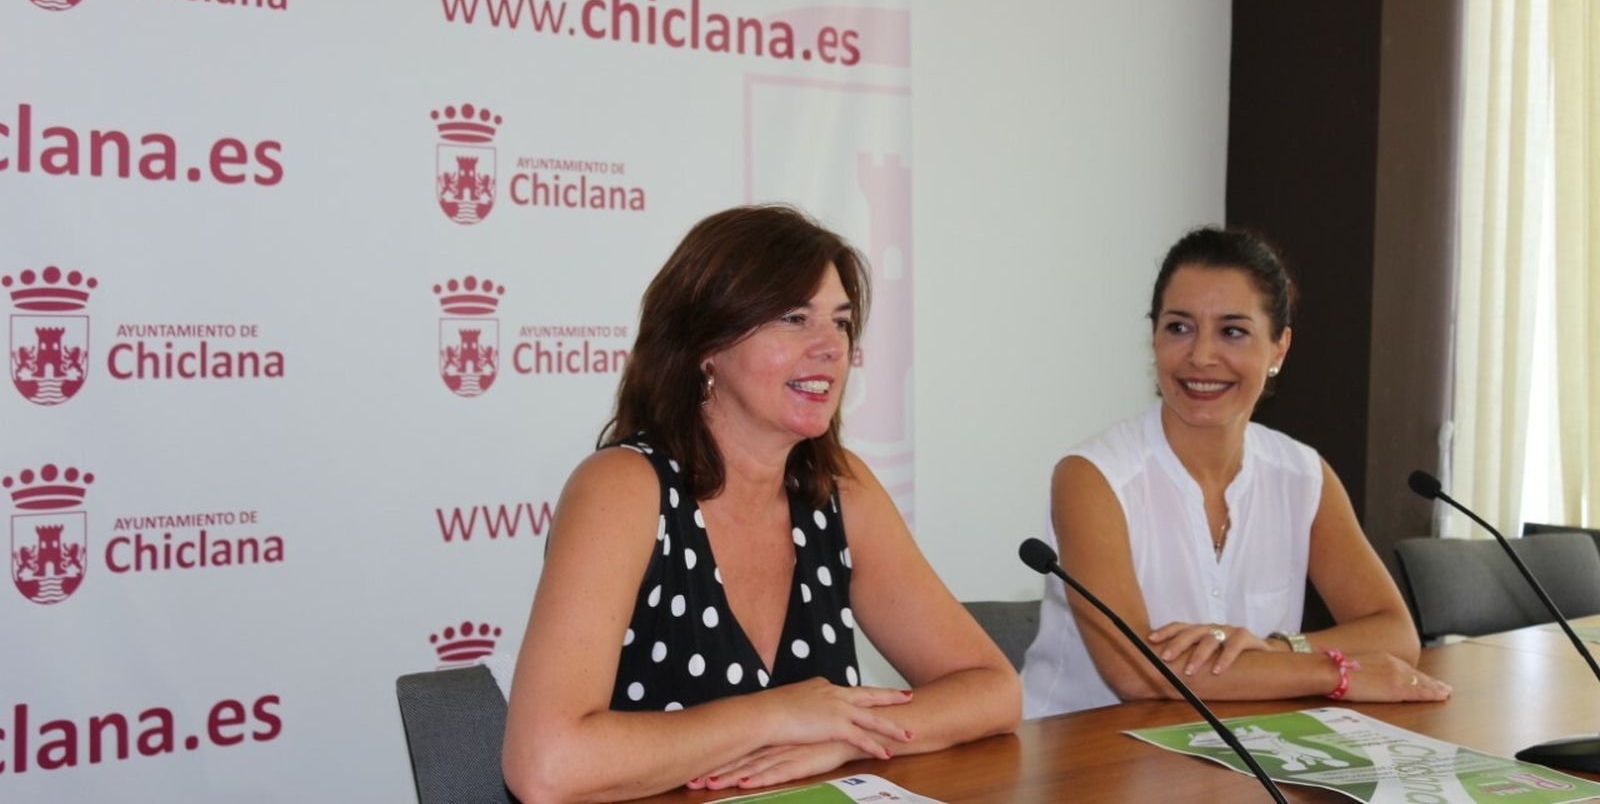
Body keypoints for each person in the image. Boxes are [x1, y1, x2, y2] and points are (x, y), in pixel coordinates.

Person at [503, 205, 1020, 801]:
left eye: (842, 322)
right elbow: (546, 766)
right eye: (794, 318)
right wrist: (779, 715)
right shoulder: (623, 488)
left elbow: (992, 688)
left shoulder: (836, 489)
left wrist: (851, 737)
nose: (832, 347)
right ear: (706, 347)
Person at [1020, 226, 1451, 718]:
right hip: (1079, 762)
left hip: (1231, 753)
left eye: (1232, 332)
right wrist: (1337, 672)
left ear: (1278, 350)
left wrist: (1277, 649)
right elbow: (1139, 670)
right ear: (1154, 338)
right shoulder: (1092, 477)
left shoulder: (1302, 476)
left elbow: (1395, 634)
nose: (1201, 356)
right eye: (1179, 327)